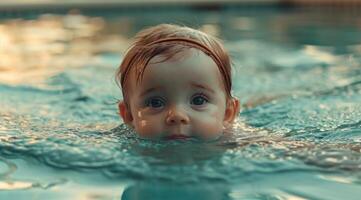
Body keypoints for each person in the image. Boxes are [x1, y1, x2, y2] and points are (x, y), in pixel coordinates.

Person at [116, 24, 240, 141]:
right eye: (155, 103)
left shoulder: (240, 143)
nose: (177, 115)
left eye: (198, 100)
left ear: (227, 114)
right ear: (129, 116)